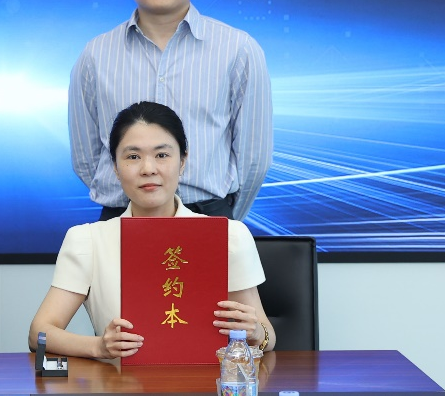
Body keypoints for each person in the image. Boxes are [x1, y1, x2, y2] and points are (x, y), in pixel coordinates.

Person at [30, 101, 275, 360]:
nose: (148, 169)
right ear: (115, 167)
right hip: (120, 380)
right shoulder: (88, 240)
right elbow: (39, 333)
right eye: (133, 157)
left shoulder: (229, 235)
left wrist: (257, 332)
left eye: (162, 155)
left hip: (209, 379)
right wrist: (98, 347)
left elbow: (267, 335)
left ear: (183, 161)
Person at [69, 0, 272, 221]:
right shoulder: (95, 55)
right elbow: (85, 159)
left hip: (208, 216)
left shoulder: (238, 50)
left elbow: (254, 159)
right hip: (121, 219)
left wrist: (226, 220)